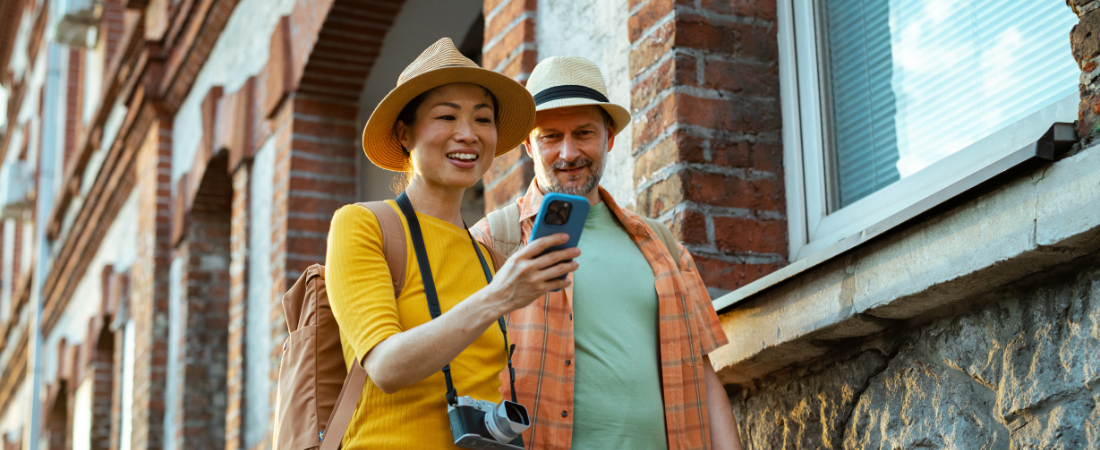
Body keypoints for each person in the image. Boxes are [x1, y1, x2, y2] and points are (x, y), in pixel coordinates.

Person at [471, 56, 745, 450]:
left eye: (584, 133)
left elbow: (700, 374)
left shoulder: (662, 246)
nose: (568, 153)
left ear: (609, 137)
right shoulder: (493, 242)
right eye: (550, 136)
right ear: (529, 145)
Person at [325, 38, 581, 449]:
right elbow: (386, 367)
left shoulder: (489, 258)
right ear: (405, 133)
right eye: (446, 116)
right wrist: (498, 297)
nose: (468, 135)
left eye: (483, 120)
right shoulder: (363, 224)